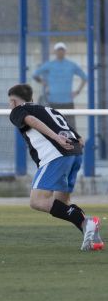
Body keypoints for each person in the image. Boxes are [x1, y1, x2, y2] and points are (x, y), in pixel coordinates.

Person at [7, 84, 103, 251]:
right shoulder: (49, 110)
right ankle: (94, 239)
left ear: (13, 101)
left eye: (9, 102)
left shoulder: (18, 110)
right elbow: (78, 137)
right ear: (32, 98)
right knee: (61, 203)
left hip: (55, 156)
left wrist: (55, 138)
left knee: (37, 201)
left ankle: (86, 221)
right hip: (75, 154)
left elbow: (31, 120)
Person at [33, 42, 87, 128]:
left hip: (68, 101)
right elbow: (35, 75)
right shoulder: (49, 64)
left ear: (65, 51)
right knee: (52, 126)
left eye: (62, 50)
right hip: (52, 101)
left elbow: (84, 77)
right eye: (58, 50)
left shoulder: (71, 65)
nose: (60, 52)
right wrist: (44, 83)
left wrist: (77, 91)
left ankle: (73, 141)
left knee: (71, 126)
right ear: (55, 51)